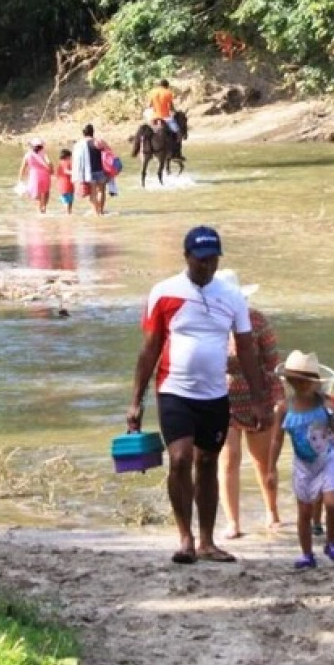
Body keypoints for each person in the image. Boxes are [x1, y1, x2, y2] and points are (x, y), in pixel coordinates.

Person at [127, 226, 268, 565]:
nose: (208, 266)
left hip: (216, 394)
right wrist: (135, 401)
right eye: (202, 260)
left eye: (213, 259)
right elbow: (149, 349)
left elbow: (247, 350)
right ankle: (185, 538)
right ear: (186, 257)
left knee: (207, 462)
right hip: (174, 389)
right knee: (179, 459)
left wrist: (259, 399)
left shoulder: (232, 296)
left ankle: (207, 541)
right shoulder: (163, 292)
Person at [268, 351, 334, 567]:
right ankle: (307, 554)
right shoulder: (284, 408)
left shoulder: (326, 403)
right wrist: (270, 469)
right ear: (291, 381)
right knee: (304, 511)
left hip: (328, 460)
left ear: (315, 383)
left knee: (332, 504)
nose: (303, 385)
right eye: (297, 381)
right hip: (302, 466)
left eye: (307, 382)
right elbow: (276, 440)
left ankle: (331, 542)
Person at [216, 272, 284, 540]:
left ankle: (272, 512)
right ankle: (233, 522)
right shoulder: (212, 324)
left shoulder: (257, 320)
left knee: (263, 460)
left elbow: (272, 362)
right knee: (228, 459)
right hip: (223, 400)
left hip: (259, 398)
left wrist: (278, 399)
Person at [71, 124, 107, 215]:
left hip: (88, 172)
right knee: (101, 191)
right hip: (99, 169)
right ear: (93, 132)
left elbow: (76, 160)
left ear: (83, 133)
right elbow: (109, 152)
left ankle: (95, 213)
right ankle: (101, 211)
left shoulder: (79, 144)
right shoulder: (98, 142)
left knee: (92, 193)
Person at [18, 138, 53, 213]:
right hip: (45, 176)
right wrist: (52, 171)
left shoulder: (28, 155)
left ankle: (40, 211)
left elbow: (22, 168)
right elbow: (49, 163)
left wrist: (20, 180)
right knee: (45, 192)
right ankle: (43, 208)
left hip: (34, 176)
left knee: (37, 194)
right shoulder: (44, 154)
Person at [54, 149, 75, 214]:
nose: (71, 158)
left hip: (63, 185)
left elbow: (56, 174)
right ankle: (68, 214)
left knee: (68, 200)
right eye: (70, 157)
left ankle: (69, 213)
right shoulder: (66, 162)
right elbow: (66, 171)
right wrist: (75, 173)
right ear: (67, 156)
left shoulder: (60, 163)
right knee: (68, 201)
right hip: (66, 185)